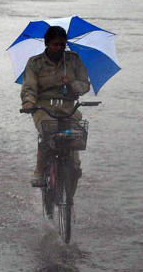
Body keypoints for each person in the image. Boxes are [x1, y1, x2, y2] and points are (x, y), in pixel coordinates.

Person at [20, 26, 90, 187]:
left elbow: (85, 86)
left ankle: (74, 165)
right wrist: (28, 102)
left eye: (62, 45)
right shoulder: (34, 63)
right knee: (48, 134)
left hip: (68, 108)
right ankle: (39, 170)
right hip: (43, 108)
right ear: (47, 44)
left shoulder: (74, 60)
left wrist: (71, 83)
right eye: (55, 44)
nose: (59, 48)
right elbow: (29, 87)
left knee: (74, 135)